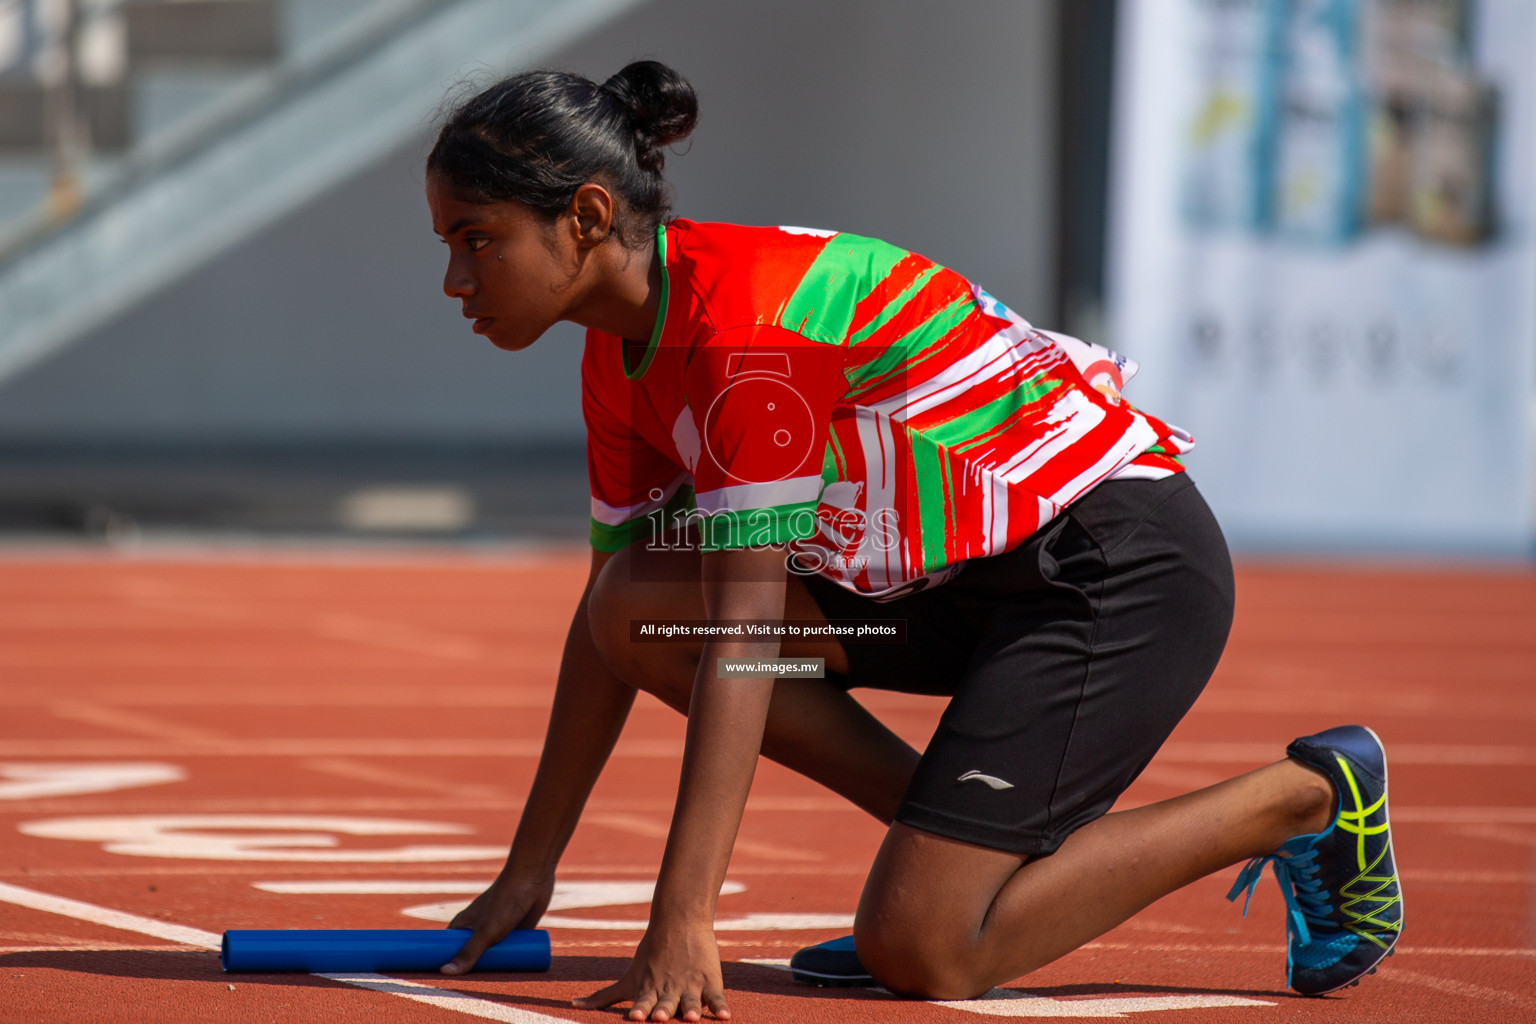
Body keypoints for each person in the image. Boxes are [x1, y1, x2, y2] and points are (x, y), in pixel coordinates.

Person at [423, 60, 1403, 1023]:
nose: (454, 279)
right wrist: (528, 869)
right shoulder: (617, 354)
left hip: (1109, 567)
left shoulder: (749, 336)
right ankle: (960, 858)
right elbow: (607, 629)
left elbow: (748, 640)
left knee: (924, 948)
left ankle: (1310, 795)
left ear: (587, 218)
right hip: (942, 591)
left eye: (478, 239)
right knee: (636, 609)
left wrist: (682, 917)